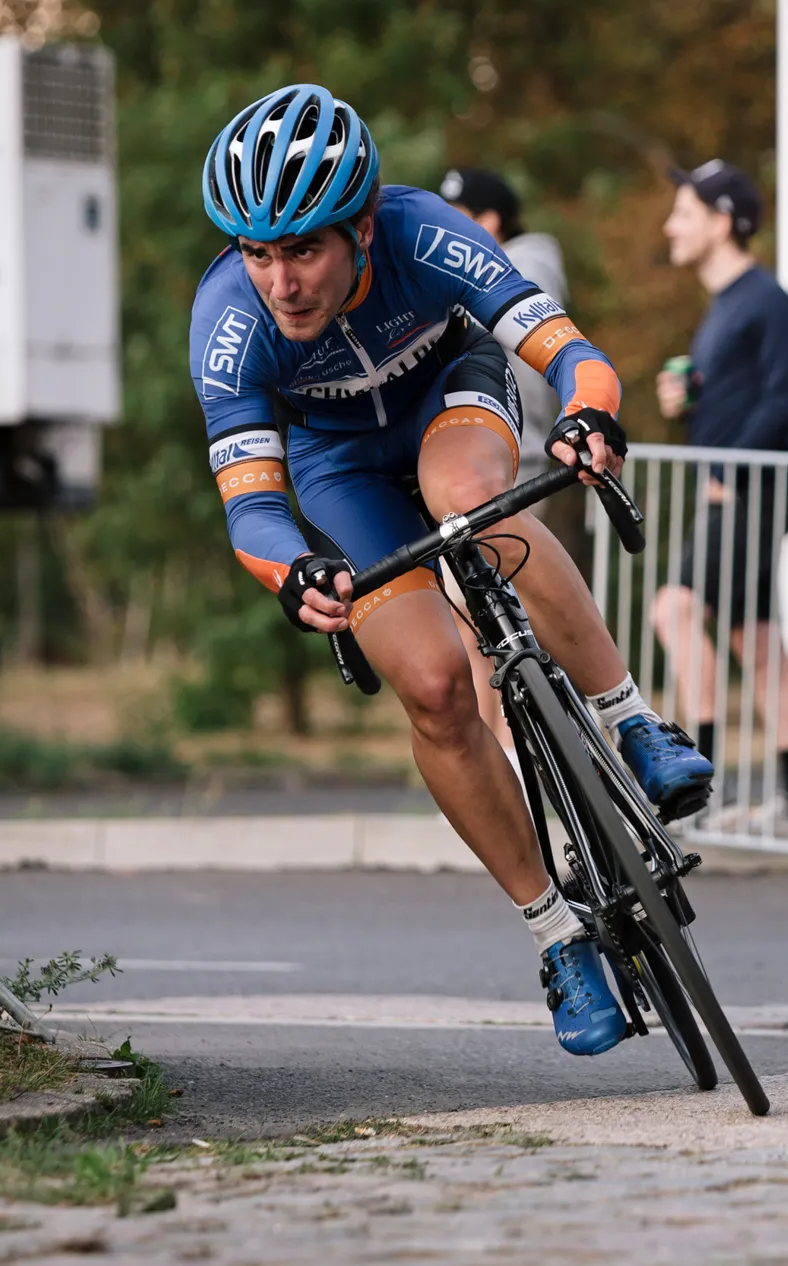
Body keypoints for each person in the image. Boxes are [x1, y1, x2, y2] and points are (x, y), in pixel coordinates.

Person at [190, 86, 713, 1057]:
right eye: (257, 254)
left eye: (303, 249)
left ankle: (629, 719)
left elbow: (572, 355)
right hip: (339, 466)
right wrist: (294, 572)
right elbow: (253, 509)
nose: (281, 281)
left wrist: (589, 414)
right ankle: (557, 939)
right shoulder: (228, 320)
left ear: (359, 230)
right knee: (433, 691)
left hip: (449, 395)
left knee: (470, 511)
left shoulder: (425, 234)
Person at [650, 159, 788, 823]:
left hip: (754, 489)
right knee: (756, 637)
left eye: (684, 213)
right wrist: (687, 402)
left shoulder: (767, 299)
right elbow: (738, 398)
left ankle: (698, 789)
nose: (670, 225)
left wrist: (727, 471)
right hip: (739, 487)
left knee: (675, 612)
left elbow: (785, 401)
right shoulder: (724, 306)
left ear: (722, 224)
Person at [438, 167, 568, 760]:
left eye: (457, 215)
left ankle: (521, 760)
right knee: (471, 626)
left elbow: (526, 376)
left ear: (487, 222)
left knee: (502, 625)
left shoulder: (522, 270)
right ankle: (498, 759)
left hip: (514, 465)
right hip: (481, 467)